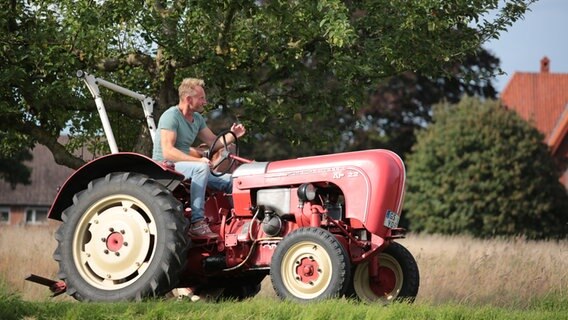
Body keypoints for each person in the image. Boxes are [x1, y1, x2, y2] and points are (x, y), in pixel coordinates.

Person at [152, 78, 246, 239]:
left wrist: (232, 136)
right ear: (189, 99)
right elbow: (168, 152)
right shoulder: (171, 116)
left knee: (234, 181)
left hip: (186, 167)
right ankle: (197, 223)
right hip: (166, 168)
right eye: (201, 98)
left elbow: (213, 143)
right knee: (201, 167)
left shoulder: (197, 119)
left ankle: (240, 222)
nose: (205, 101)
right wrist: (198, 161)